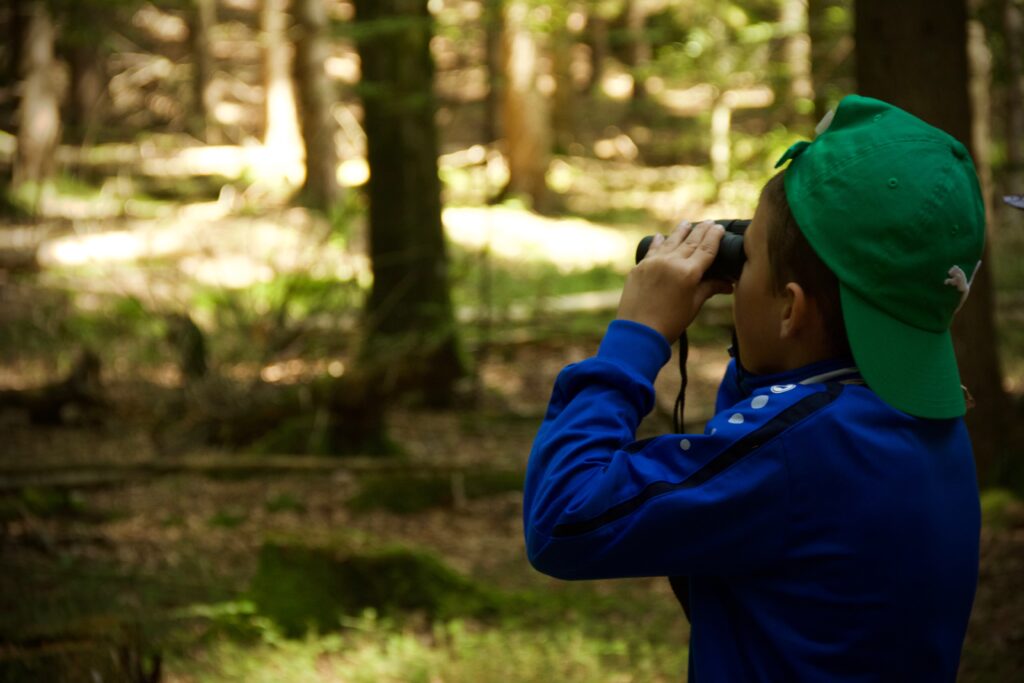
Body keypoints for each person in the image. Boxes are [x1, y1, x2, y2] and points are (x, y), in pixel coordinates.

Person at [522, 94, 984, 681]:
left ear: (791, 309)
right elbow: (775, 413)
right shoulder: (922, 420)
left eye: (747, 259)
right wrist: (766, 280)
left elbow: (563, 519)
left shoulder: (799, 451)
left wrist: (635, 336)